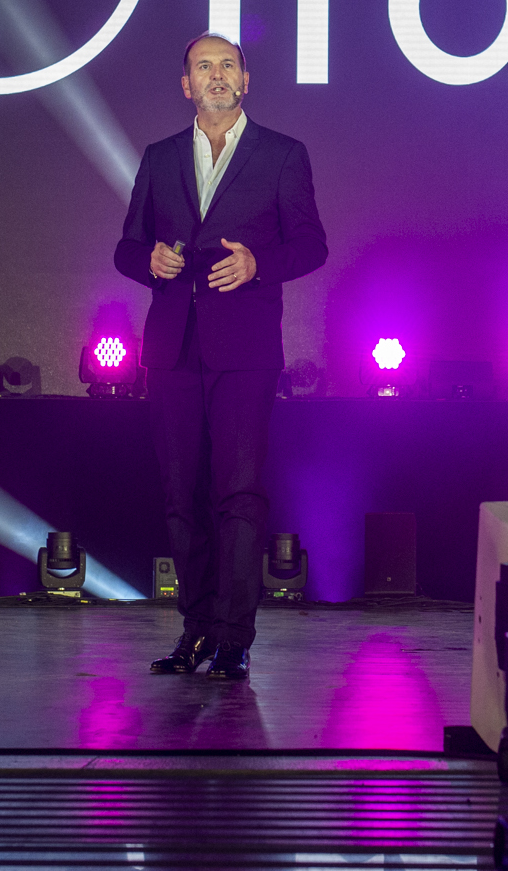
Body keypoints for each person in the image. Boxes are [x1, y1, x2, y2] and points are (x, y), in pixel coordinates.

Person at [114, 34, 327, 682]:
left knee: (238, 493)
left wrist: (259, 264)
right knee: (181, 495)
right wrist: (150, 260)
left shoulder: (283, 154)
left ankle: (233, 638)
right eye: (203, 66)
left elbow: (312, 244)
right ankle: (196, 629)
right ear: (186, 84)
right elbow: (127, 247)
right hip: (172, 347)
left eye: (227, 64)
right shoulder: (159, 156)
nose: (216, 74)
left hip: (245, 348)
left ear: (245, 79)